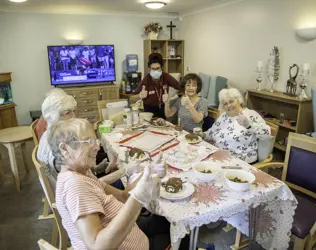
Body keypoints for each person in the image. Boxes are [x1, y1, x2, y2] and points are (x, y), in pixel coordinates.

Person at [49, 118, 185, 250]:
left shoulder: (84, 173)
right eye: (88, 141)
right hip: (125, 242)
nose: (97, 147)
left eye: (95, 140)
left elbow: (123, 196)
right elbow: (97, 245)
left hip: (129, 236)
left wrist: (149, 172)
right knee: (183, 238)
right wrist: (139, 198)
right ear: (64, 149)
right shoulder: (75, 185)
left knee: (166, 221)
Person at [37, 89, 123, 190]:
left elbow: (80, 172)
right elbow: (86, 186)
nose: (74, 116)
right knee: (128, 181)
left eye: (74, 111)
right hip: (81, 197)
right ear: (54, 116)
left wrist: (97, 168)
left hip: (82, 189)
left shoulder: (51, 135)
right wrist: (122, 173)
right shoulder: (59, 148)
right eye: (68, 113)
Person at [204, 88, 271, 164]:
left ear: (239, 100)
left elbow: (266, 134)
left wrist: (249, 126)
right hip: (220, 157)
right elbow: (211, 133)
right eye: (225, 104)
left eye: (231, 101)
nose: (229, 105)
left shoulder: (251, 115)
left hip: (240, 162)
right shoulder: (223, 116)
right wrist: (202, 134)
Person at [133, 53, 180, 119]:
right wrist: (140, 96)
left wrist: (178, 97)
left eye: (157, 68)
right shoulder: (146, 79)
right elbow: (132, 97)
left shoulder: (166, 76)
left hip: (163, 108)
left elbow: (181, 87)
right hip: (149, 109)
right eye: (153, 69)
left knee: (163, 127)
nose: (155, 71)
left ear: (161, 68)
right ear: (149, 69)